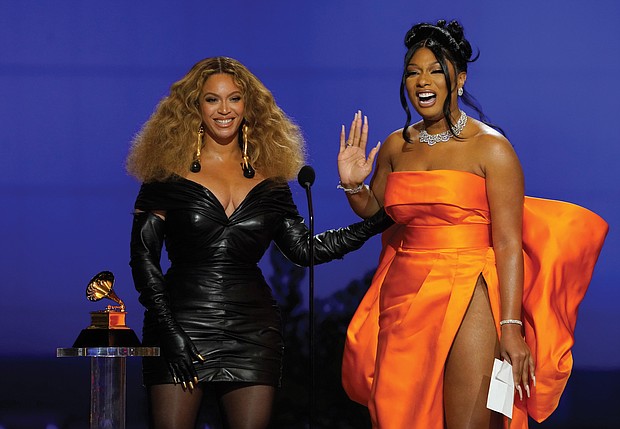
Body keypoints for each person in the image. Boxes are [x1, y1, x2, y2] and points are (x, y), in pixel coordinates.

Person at [336, 20, 608, 429]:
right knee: (398, 417)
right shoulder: (396, 145)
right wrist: (353, 185)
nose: (422, 81)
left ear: (459, 79)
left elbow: (508, 241)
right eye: (413, 72)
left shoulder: (492, 148)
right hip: (404, 290)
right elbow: (376, 211)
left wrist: (511, 329)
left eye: (435, 71)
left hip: (471, 287)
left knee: (469, 421)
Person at [126, 56, 393, 429]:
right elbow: (144, 261)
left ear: (249, 106)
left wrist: (382, 220)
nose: (224, 110)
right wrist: (168, 330)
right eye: (212, 99)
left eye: (234, 99)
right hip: (181, 323)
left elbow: (304, 250)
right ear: (194, 106)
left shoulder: (271, 179)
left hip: (253, 331)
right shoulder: (165, 173)